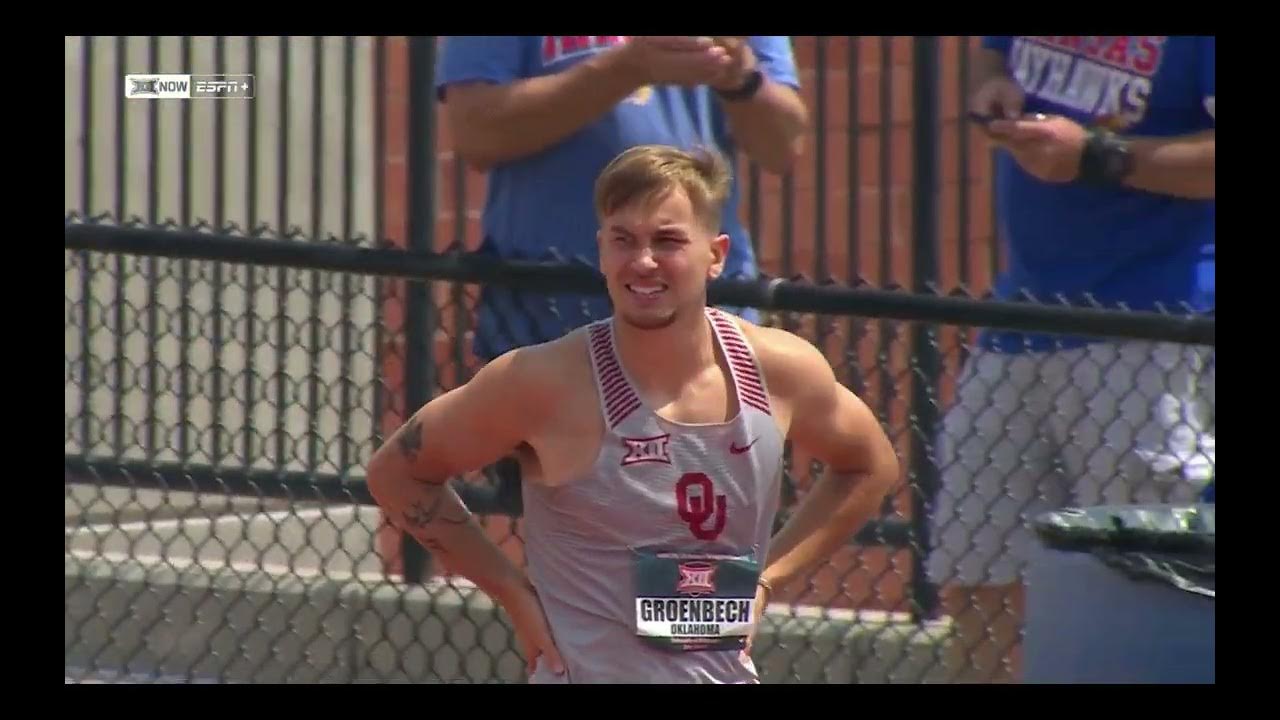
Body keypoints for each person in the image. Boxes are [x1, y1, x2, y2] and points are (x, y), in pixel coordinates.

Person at [365, 145, 900, 683]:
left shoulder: (777, 371)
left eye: (667, 241)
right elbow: (399, 471)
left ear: (715, 255)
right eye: (624, 240)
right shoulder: (545, 380)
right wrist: (513, 594)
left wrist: (769, 581)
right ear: (601, 251)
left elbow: (869, 465)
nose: (642, 262)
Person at [927, 36, 1215, 683]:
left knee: (1142, 574)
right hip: (1019, 319)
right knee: (977, 559)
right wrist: (990, 90)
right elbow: (990, 55)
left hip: (1148, 325)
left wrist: (1098, 156)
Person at [434, 35, 809, 361]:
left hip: (704, 313)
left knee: (714, 443)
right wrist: (629, 67)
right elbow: (477, 133)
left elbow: (782, 147)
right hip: (549, 314)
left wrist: (739, 78)